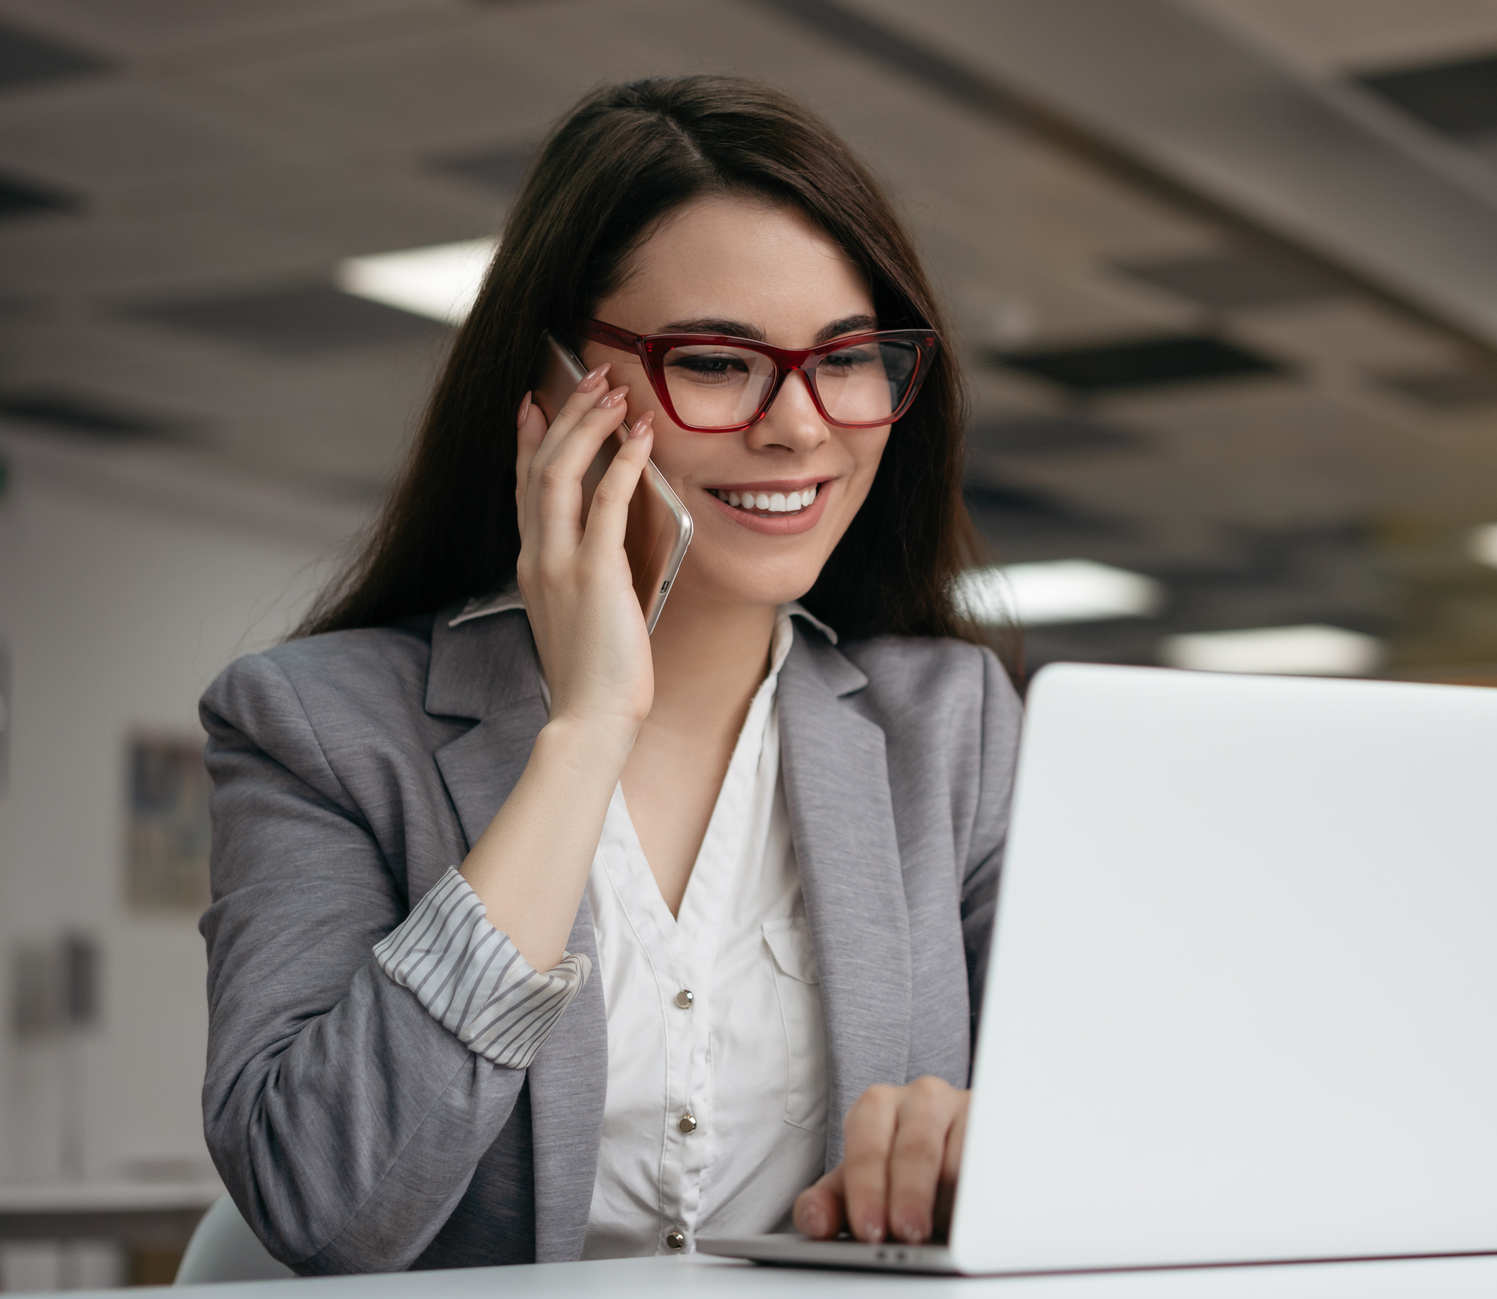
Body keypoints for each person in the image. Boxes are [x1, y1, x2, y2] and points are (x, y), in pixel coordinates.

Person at [198, 75, 1017, 1273]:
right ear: (546, 386)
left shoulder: (950, 732)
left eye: (847, 357)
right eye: (717, 362)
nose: (798, 425)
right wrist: (583, 734)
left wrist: (980, 1147)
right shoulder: (317, 726)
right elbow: (326, 1202)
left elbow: (1112, 1129)